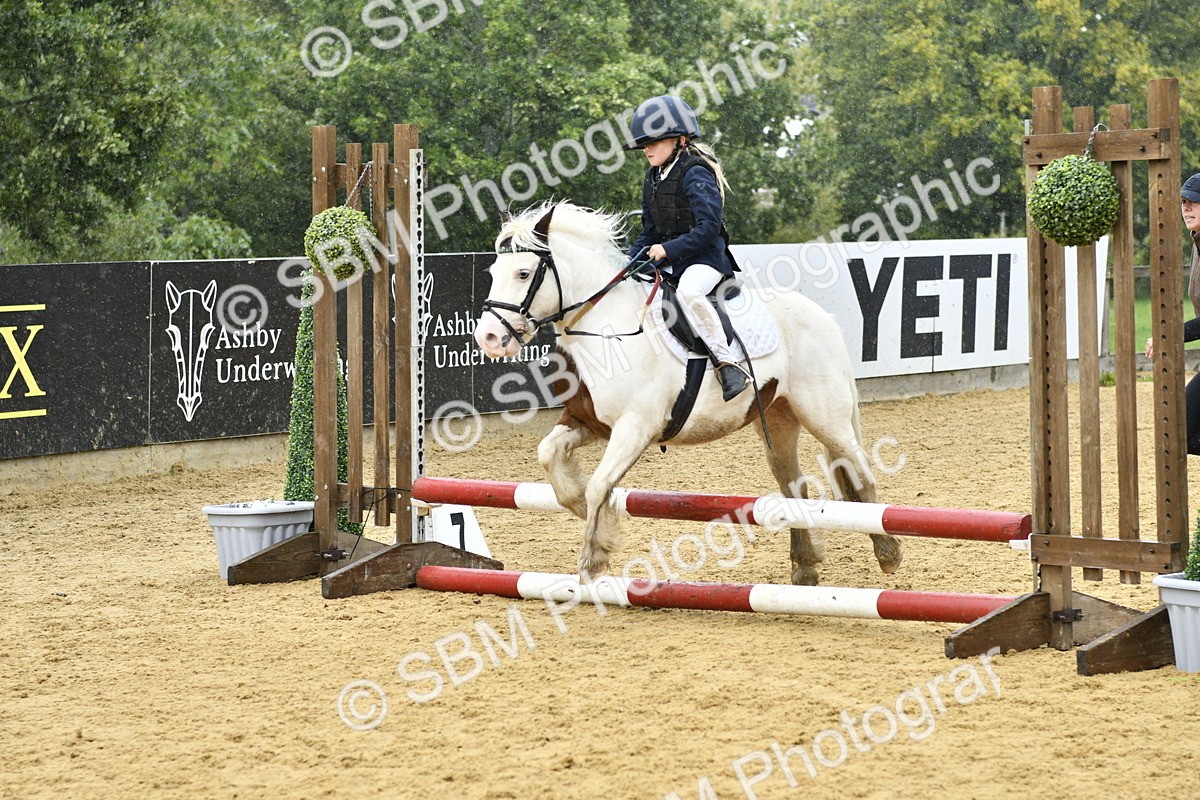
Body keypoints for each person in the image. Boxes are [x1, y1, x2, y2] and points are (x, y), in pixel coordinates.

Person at [625, 94, 749, 402]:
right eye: (644, 144)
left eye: (655, 141)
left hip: (705, 258)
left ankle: (727, 364)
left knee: (689, 293)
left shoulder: (695, 172)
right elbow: (650, 231)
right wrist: (627, 261)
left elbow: (708, 228)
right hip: (673, 258)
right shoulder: (652, 177)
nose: (647, 149)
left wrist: (667, 249)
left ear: (680, 140)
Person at [1144, 171, 1200, 454]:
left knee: (1180, 430)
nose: (1186, 207)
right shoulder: (1197, 241)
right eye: (1183, 202)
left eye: (1194, 201)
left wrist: (1167, 335)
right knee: (1182, 432)